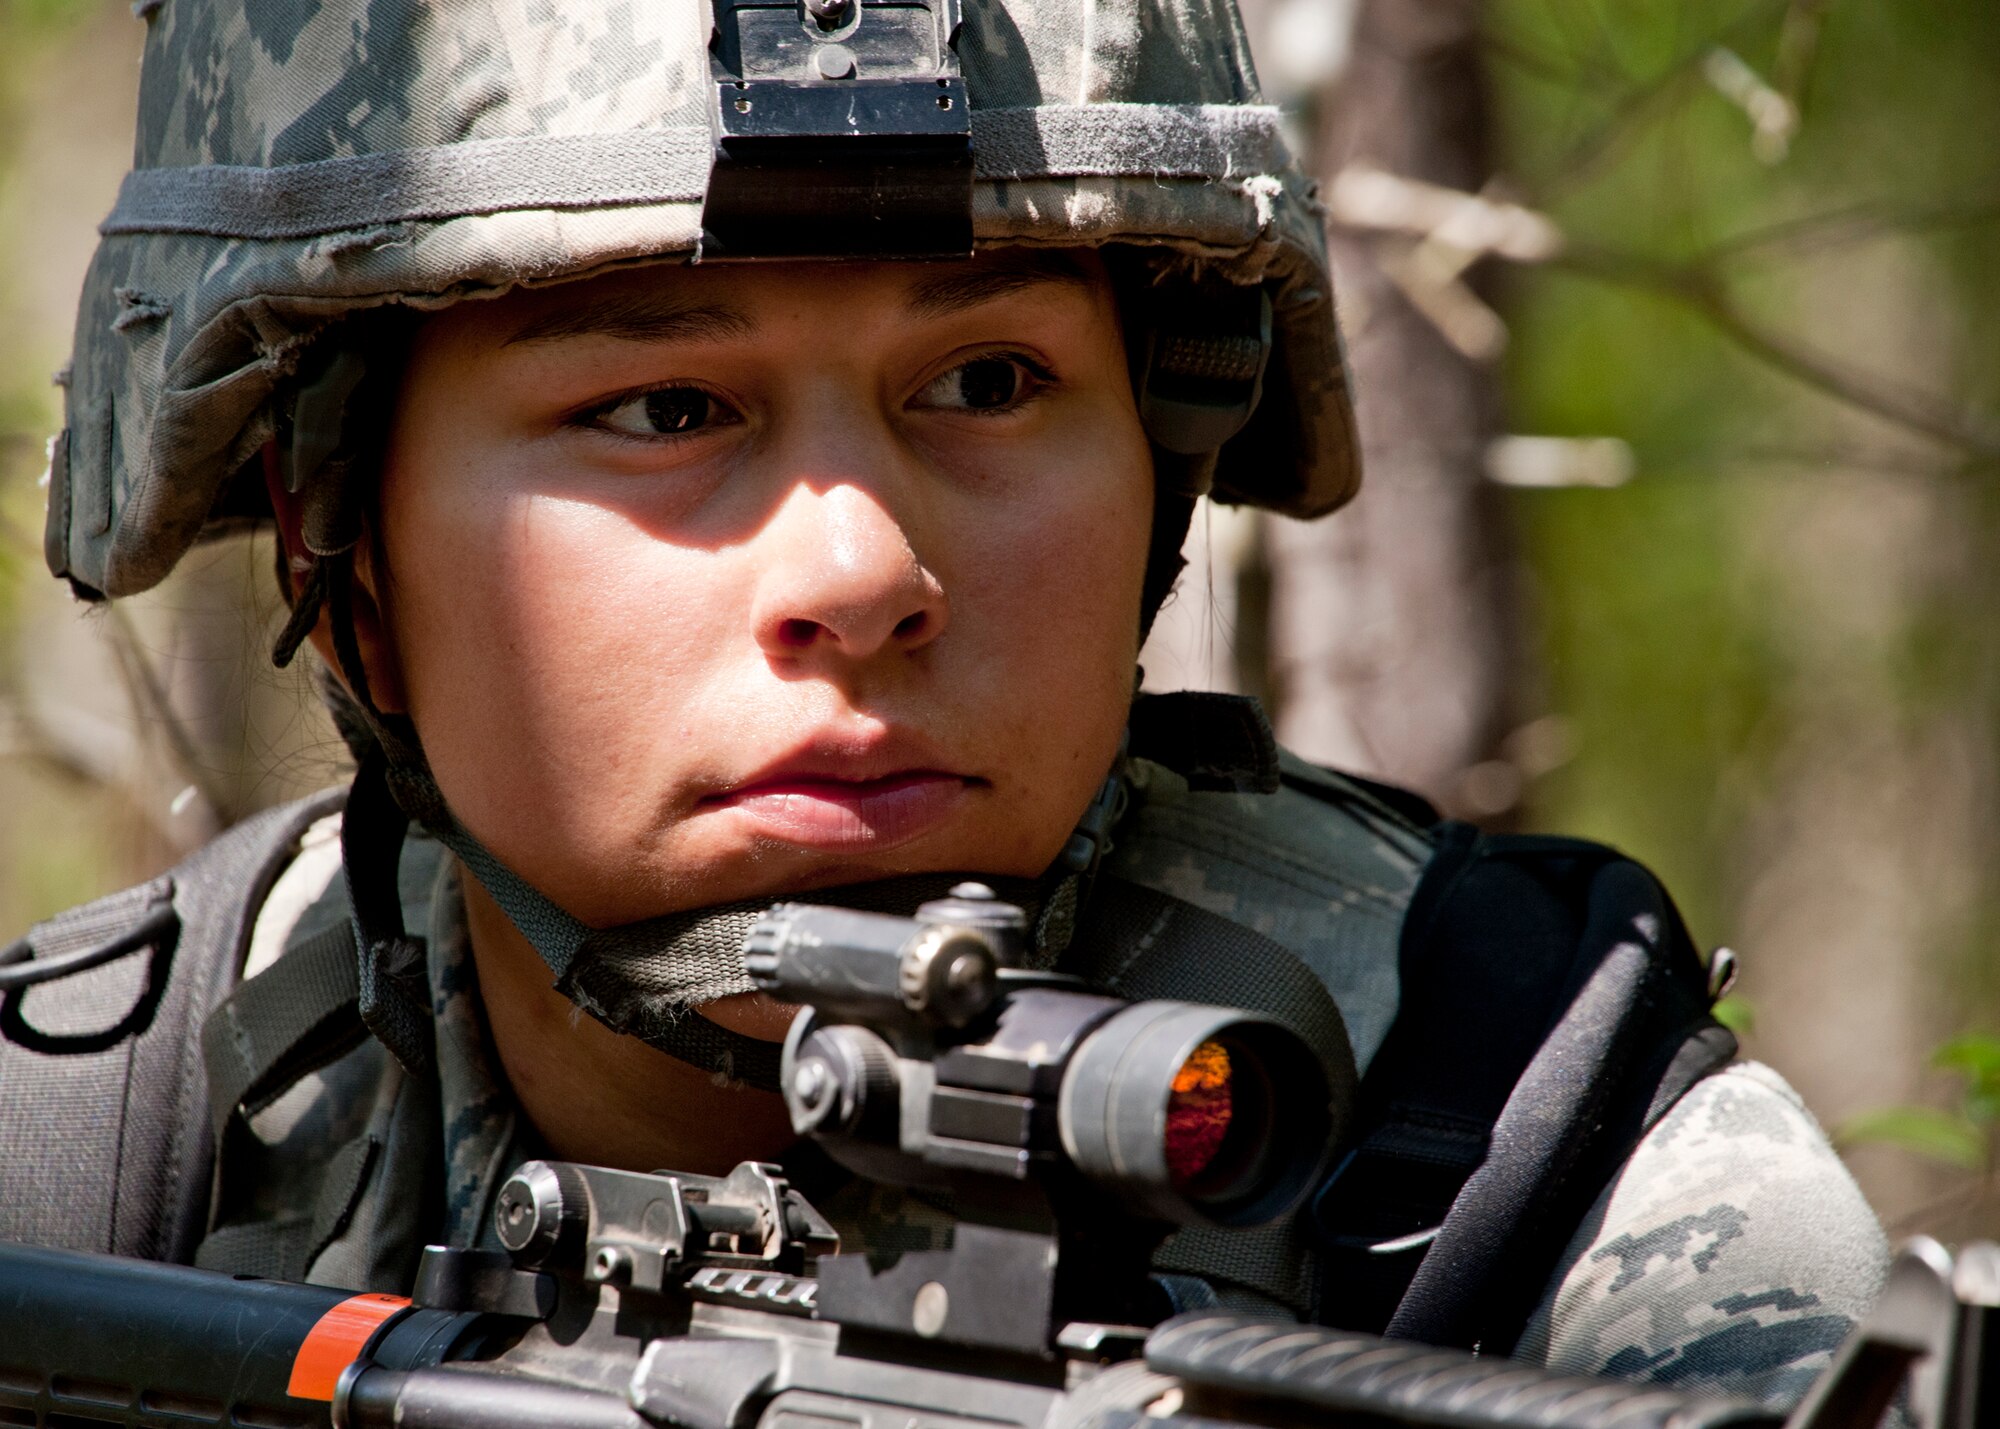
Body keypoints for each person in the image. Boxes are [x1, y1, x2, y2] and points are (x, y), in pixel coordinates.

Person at [0, 0, 1886, 1411]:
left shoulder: (1525, 1180)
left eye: (985, 382)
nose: (864, 570)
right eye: (665, 412)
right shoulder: (84, 1167)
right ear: (339, 537)